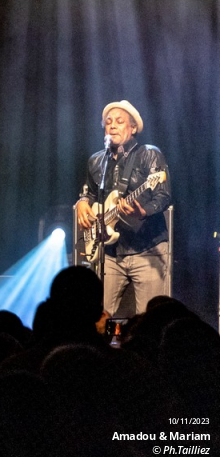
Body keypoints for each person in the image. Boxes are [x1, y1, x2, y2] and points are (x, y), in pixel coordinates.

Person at [76, 100, 171, 316]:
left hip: (147, 249)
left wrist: (143, 212)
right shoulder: (97, 161)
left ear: (133, 128)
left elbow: (163, 196)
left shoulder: (149, 154)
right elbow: (90, 193)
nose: (112, 125)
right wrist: (82, 202)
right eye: (108, 122)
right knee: (96, 316)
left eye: (119, 121)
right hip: (109, 252)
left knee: (150, 319)